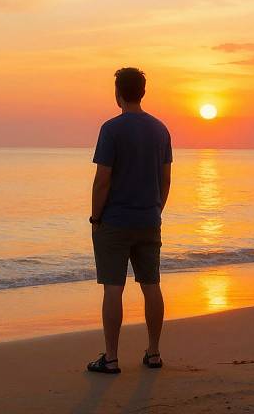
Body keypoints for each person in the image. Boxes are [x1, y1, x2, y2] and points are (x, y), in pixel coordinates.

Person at [87, 67, 172, 374]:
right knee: (151, 285)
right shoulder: (160, 130)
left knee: (113, 288)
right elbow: (166, 179)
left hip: (116, 220)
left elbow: (102, 181)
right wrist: (156, 209)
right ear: (143, 92)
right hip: (149, 218)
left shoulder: (111, 129)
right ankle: (154, 353)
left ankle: (110, 358)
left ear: (118, 94)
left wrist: (96, 218)